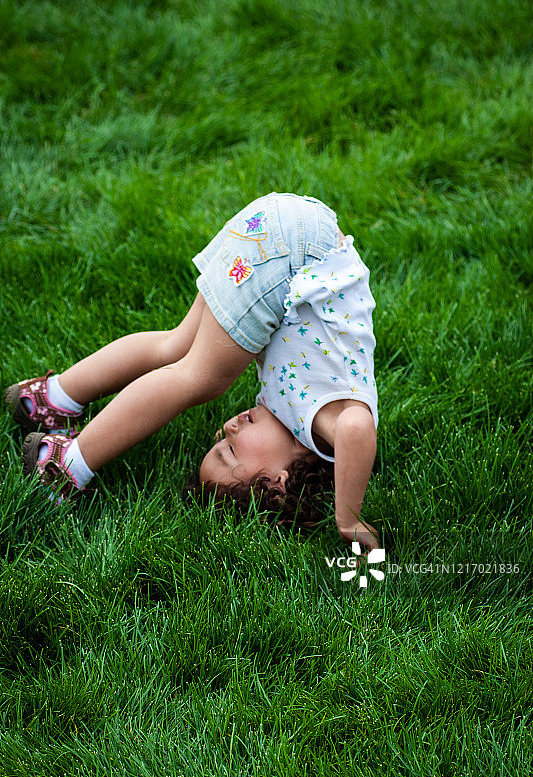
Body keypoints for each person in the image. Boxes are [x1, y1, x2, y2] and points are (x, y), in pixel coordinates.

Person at [5, 193, 380, 552]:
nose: (228, 429)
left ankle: (51, 398)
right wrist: (349, 518)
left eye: (221, 442)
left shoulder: (290, 416)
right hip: (295, 255)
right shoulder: (322, 429)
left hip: (281, 236)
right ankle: (65, 466)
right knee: (199, 377)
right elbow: (356, 428)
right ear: (280, 483)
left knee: (176, 346)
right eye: (229, 450)